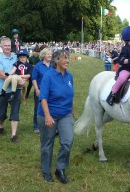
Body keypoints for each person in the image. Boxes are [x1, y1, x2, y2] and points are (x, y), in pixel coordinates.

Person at [37, 50, 74, 184]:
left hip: (65, 114)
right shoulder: (49, 76)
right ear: (56, 60)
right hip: (48, 114)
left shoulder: (69, 76)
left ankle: (61, 169)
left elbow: (70, 95)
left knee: (67, 141)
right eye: (64, 58)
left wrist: (71, 111)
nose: (67, 61)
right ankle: (46, 170)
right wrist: (47, 115)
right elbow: (43, 97)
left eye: (68, 58)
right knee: (47, 144)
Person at [0, 37, 27, 143]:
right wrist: (18, 81)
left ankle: (13, 135)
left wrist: (23, 79)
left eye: (9, 45)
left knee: (15, 112)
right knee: (2, 113)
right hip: (2, 91)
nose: (7, 47)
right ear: (1, 47)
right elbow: (3, 76)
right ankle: (1, 126)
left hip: (16, 90)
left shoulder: (16, 57)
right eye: (5, 46)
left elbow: (22, 69)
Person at [31, 48, 52, 133]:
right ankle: (36, 126)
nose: (50, 55)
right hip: (41, 89)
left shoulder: (53, 65)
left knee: (50, 107)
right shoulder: (38, 66)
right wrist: (36, 89)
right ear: (43, 55)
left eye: (51, 54)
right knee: (38, 107)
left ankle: (50, 123)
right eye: (48, 54)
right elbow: (34, 78)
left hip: (51, 90)